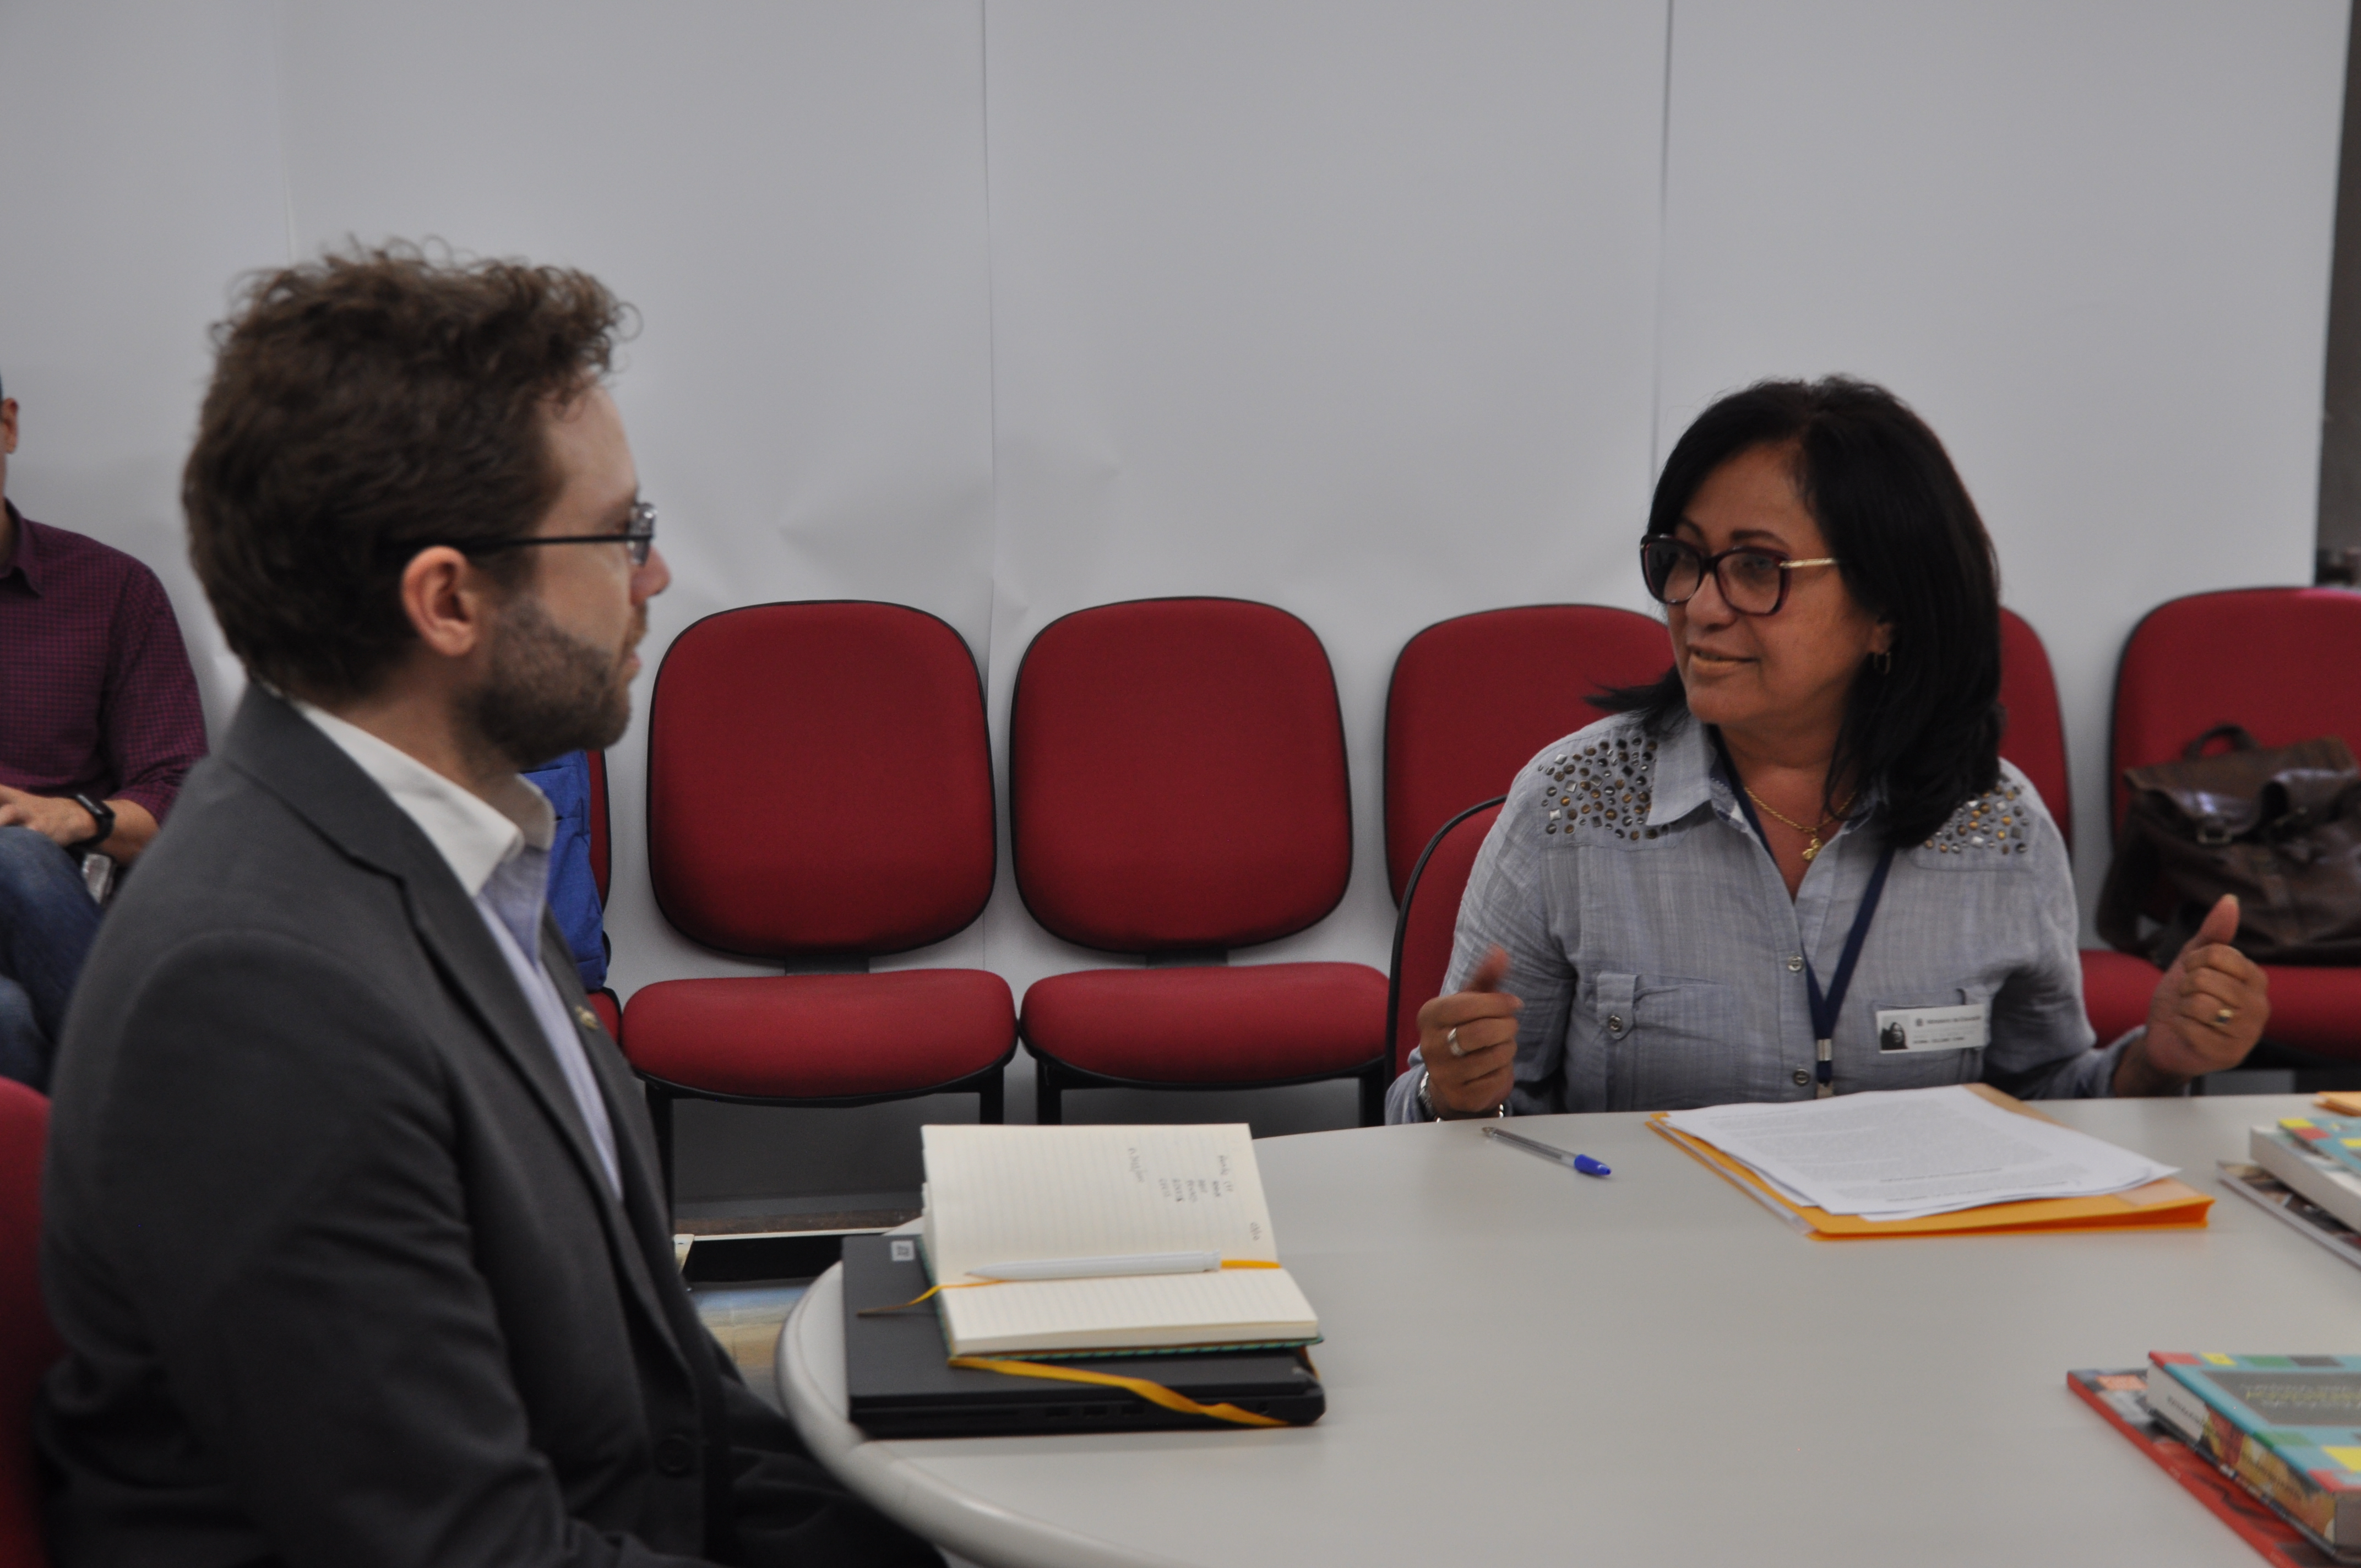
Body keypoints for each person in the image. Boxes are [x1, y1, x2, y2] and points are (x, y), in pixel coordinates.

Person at [39, 248, 939, 1567]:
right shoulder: (255, 989)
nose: (654, 578)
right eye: (620, 532)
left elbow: (671, 1398)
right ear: (449, 599)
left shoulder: (451, 859)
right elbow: (462, 1546)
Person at [1392, 377, 2268, 1121]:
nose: (1699, 606)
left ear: (1887, 610)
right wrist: (1451, 1093)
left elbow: (2041, 1098)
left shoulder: (1992, 824)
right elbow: (1454, 1120)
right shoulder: (1574, 806)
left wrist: (2157, 1061)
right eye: (1684, 559)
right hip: (1645, 1257)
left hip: (1910, 1262)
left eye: (1757, 568)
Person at [0, 368, 207, 1089]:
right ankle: (164, 1107)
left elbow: (179, 795)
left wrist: (69, 817)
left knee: (18, 856)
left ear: (7, 425)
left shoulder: (110, 590)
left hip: (57, 903)